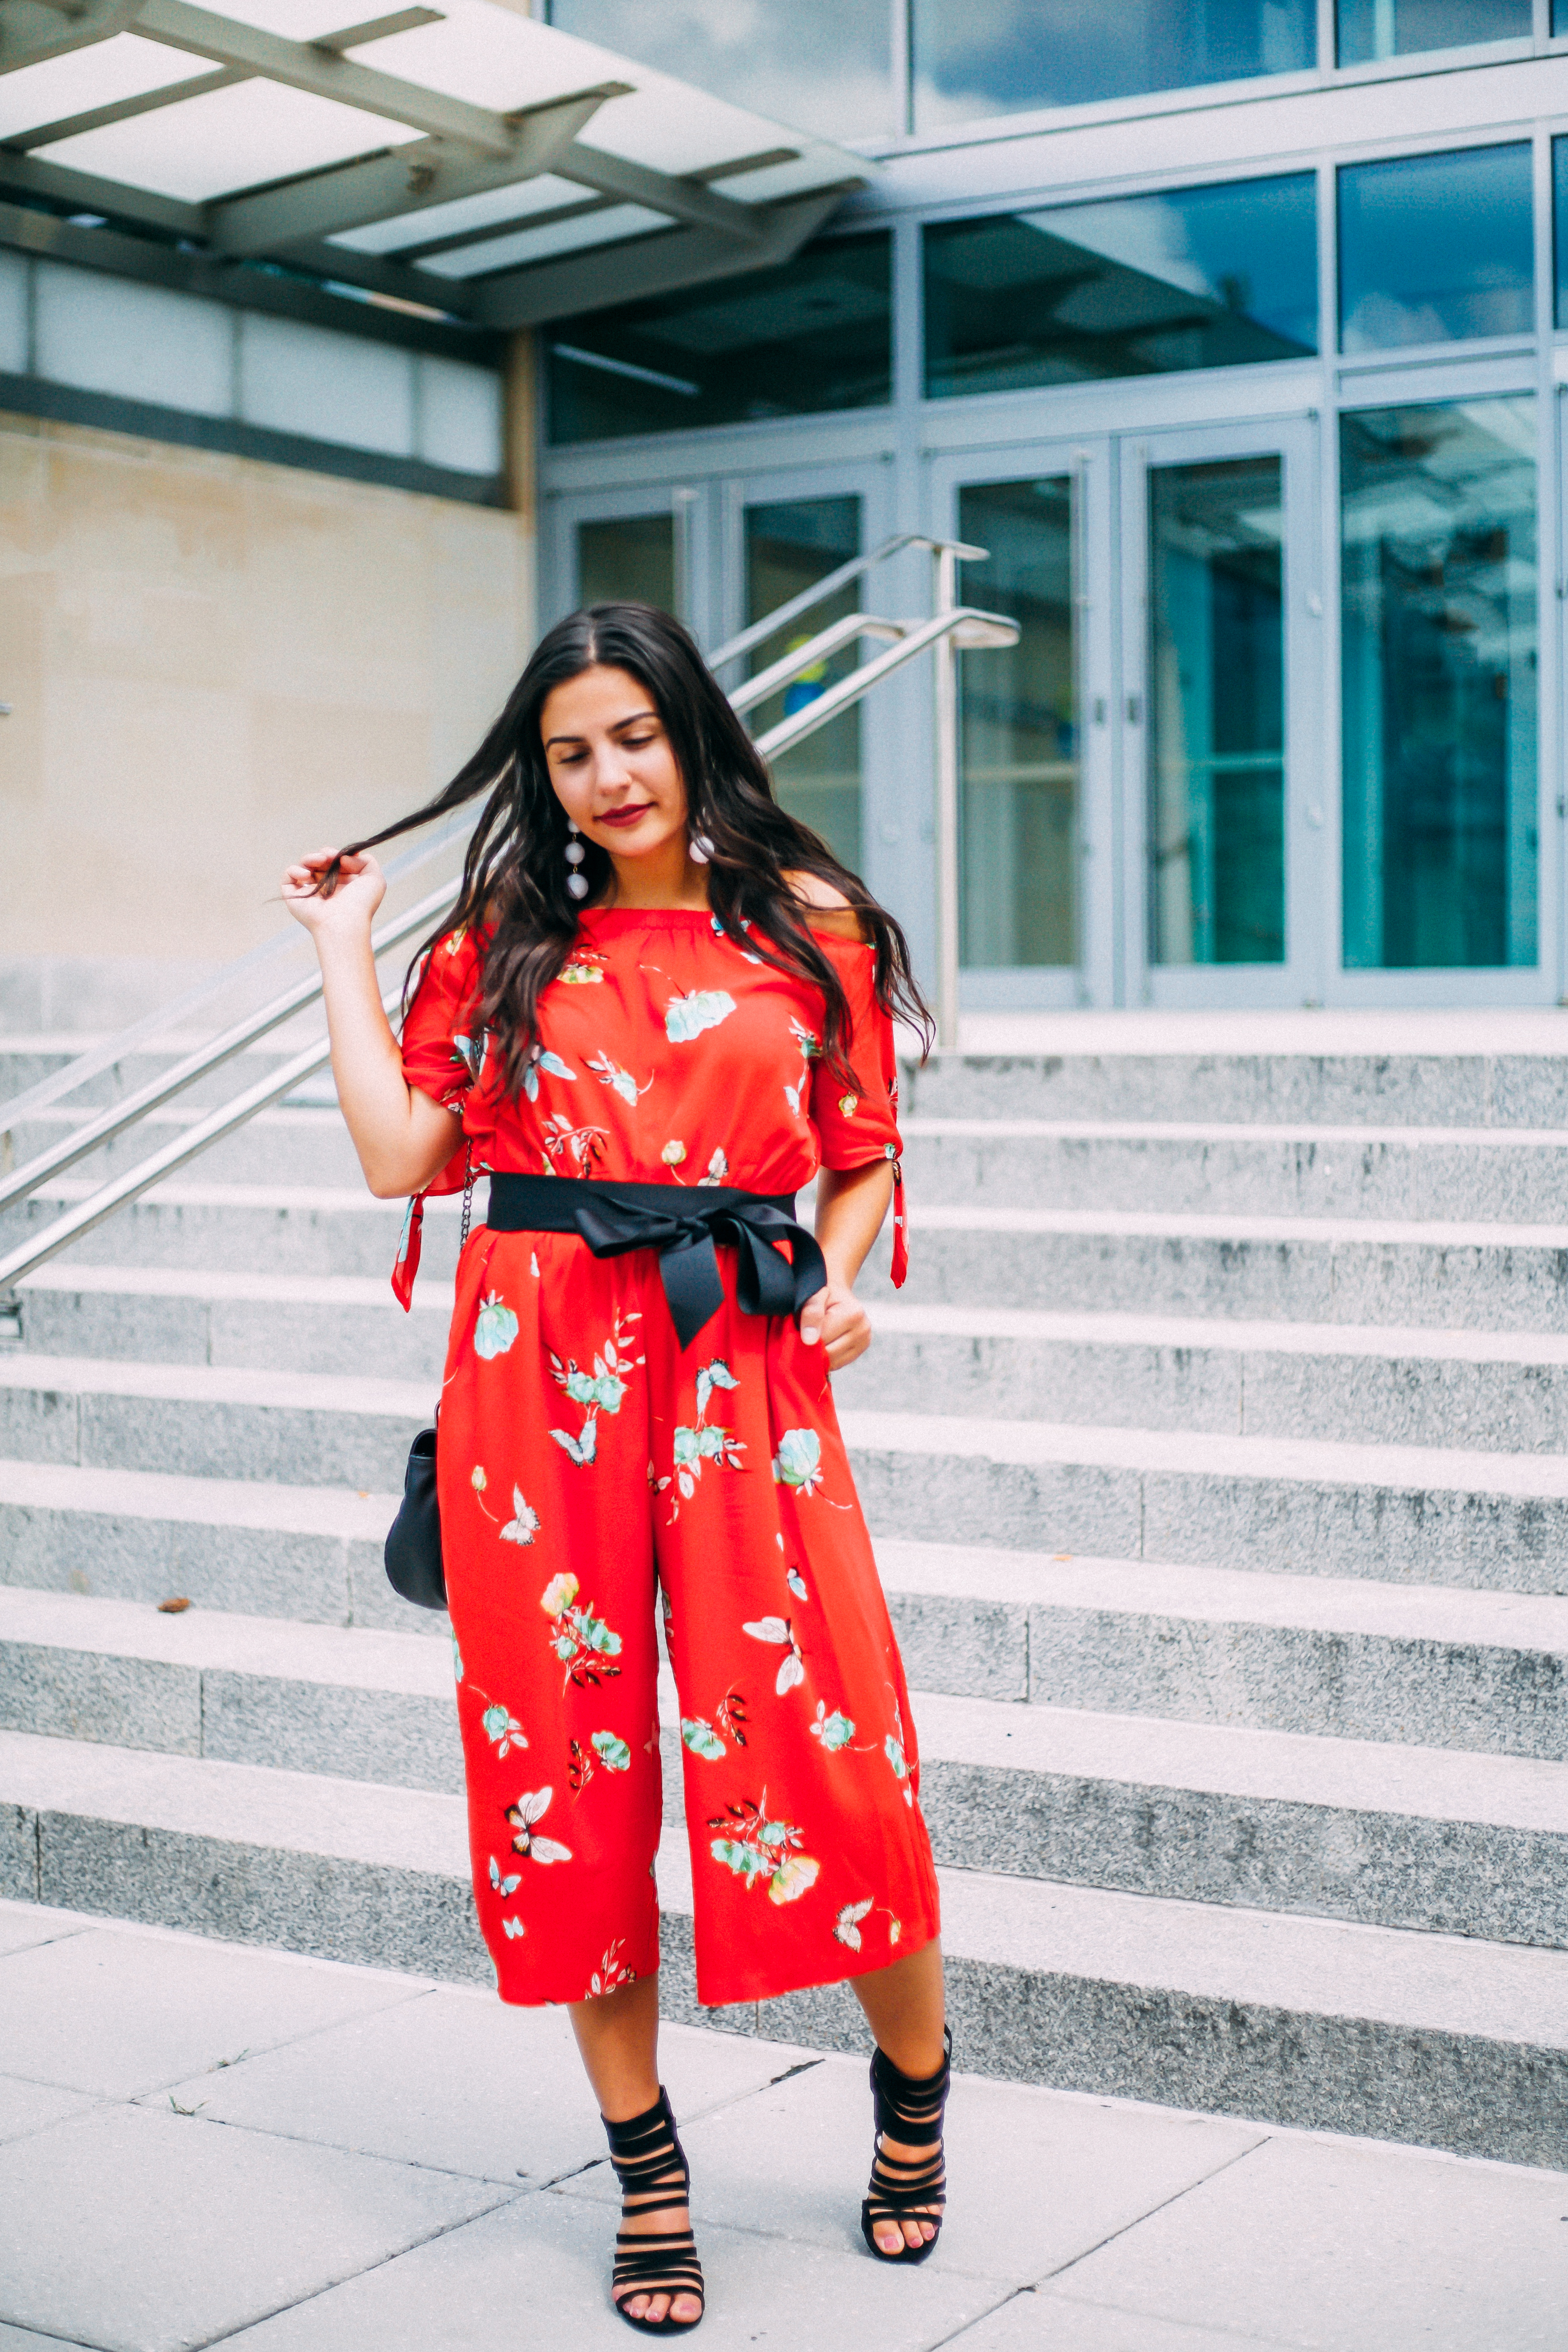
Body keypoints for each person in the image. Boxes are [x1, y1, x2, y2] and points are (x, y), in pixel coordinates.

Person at [282, 602, 950, 2334]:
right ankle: (645, 2168)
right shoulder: (501, 936)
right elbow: (397, 1155)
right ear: (543, 768)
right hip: (536, 1375)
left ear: (692, 731)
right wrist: (346, 945)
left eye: (632, 736)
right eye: (570, 750)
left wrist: (850, 1279)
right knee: (563, 1775)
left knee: (826, 1744)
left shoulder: (805, 927)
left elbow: (861, 1149)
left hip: (743, 1362)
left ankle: (913, 2089)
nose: (606, 776)